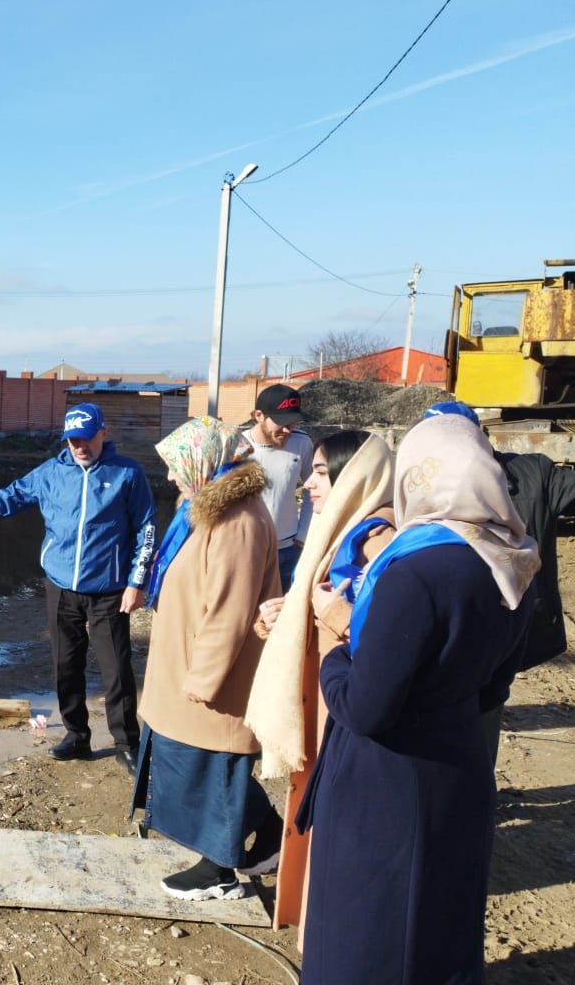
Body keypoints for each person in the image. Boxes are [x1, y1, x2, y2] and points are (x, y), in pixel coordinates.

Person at [295, 413, 538, 985]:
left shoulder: (415, 570)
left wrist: (335, 645)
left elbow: (365, 707)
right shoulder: (515, 561)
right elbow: (495, 686)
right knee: (437, 927)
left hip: (385, 784)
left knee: (367, 933)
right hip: (459, 765)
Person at [0, 402, 155, 771]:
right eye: (73, 440)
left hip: (109, 590)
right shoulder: (51, 473)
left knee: (116, 669)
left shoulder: (127, 474)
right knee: (65, 665)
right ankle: (77, 736)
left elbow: (146, 529)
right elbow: (9, 497)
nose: (80, 446)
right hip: (61, 587)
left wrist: (137, 582)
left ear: (104, 432)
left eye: (86, 438)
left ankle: (126, 743)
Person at [243, 430, 396, 935]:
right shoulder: (343, 531)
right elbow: (327, 600)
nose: (309, 483)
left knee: (339, 830)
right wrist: (291, 617)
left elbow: (386, 631)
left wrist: (320, 611)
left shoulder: (381, 540)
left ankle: (332, 934)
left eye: (323, 472)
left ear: (357, 477)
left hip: (345, 707)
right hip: (324, 698)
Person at [130, 416, 281, 900]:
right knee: (197, 759)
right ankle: (270, 835)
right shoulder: (210, 509)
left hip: (211, 673)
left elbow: (230, 607)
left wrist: (206, 677)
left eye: (177, 467)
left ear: (205, 461)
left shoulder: (237, 520)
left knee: (213, 766)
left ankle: (220, 872)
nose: (172, 477)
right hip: (187, 663)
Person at [425, 400, 575, 760]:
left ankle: (475, 801)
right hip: (442, 625)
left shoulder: (531, 477)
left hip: (504, 625)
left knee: (482, 718)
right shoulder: (417, 484)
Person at [242, 383, 314, 590]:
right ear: (259, 416)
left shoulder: (302, 442)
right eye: (281, 422)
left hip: (288, 548)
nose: (287, 429)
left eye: (292, 422)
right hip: (247, 548)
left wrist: (303, 536)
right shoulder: (236, 446)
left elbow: (313, 489)